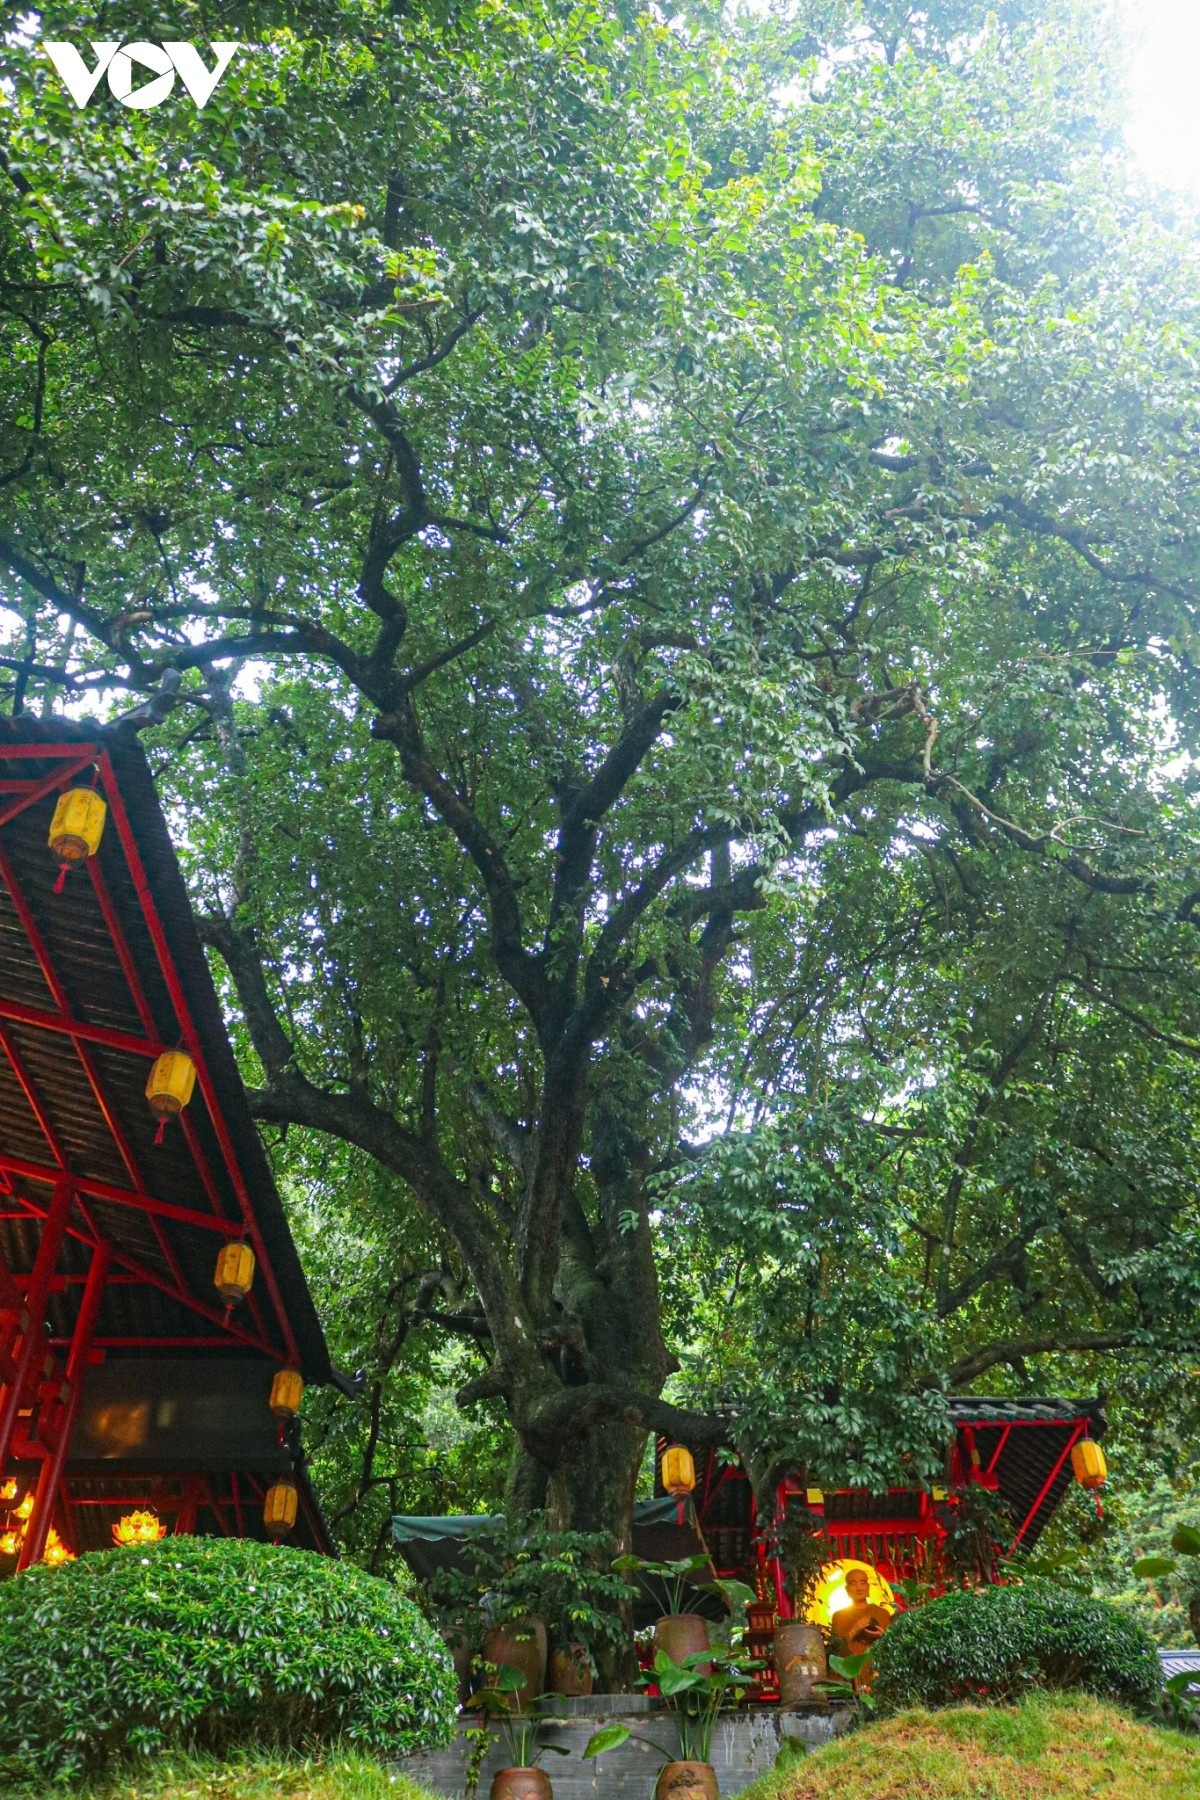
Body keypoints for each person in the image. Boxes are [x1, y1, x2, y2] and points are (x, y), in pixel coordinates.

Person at [829, 1567, 892, 1657]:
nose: (859, 1588)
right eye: (853, 1584)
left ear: (868, 1587)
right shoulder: (839, 1616)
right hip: (852, 1667)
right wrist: (855, 1630)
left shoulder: (882, 1613)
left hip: (877, 1666)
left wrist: (884, 1637)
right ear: (847, 1589)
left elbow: (893, 1649)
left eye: (862, 1583)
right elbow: (837, 1651)